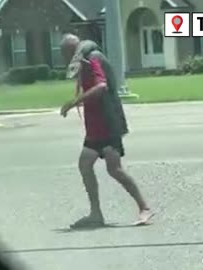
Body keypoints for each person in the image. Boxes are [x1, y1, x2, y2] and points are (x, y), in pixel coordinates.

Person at [59, 34, 154, 228]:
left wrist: (75, 102)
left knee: (115, 169)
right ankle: (96, 214)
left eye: (64, 52)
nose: (63, 57)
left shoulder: (93, 58)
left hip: (108, 125)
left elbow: (102, 86)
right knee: (85, 165)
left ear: (71, 50)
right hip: (94, 127)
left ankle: (144, 207)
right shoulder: (82, 62)